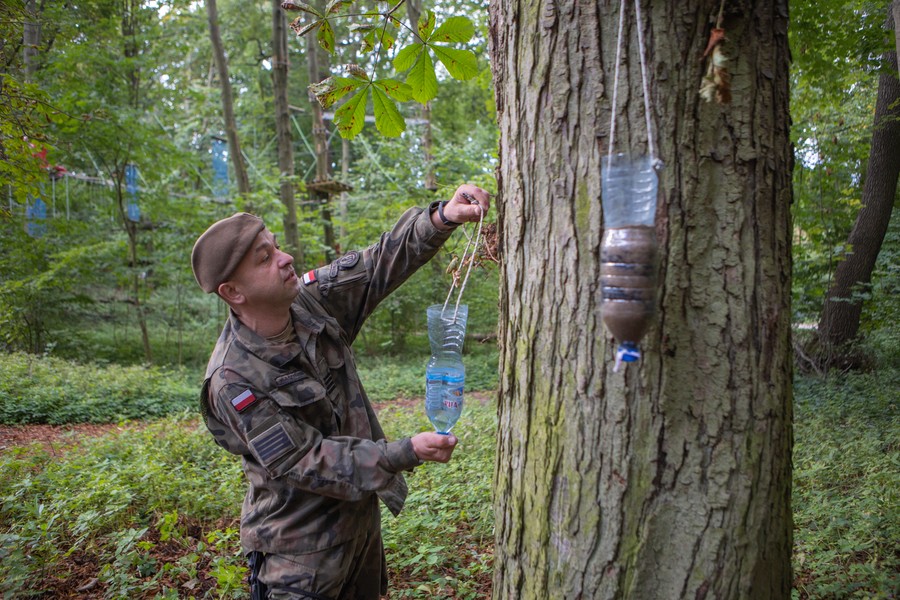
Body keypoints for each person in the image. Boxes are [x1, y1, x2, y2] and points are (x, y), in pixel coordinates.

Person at [190, 185, 491, 600]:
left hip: (358, 532)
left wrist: (441, 218)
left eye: (276, 246)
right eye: (265, 258)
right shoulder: (234, 380)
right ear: (233, 292)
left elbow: (376, 264)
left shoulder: (310, 302)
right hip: (299, 559)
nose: (286, 258)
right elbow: (304, 459)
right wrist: (401, 452)